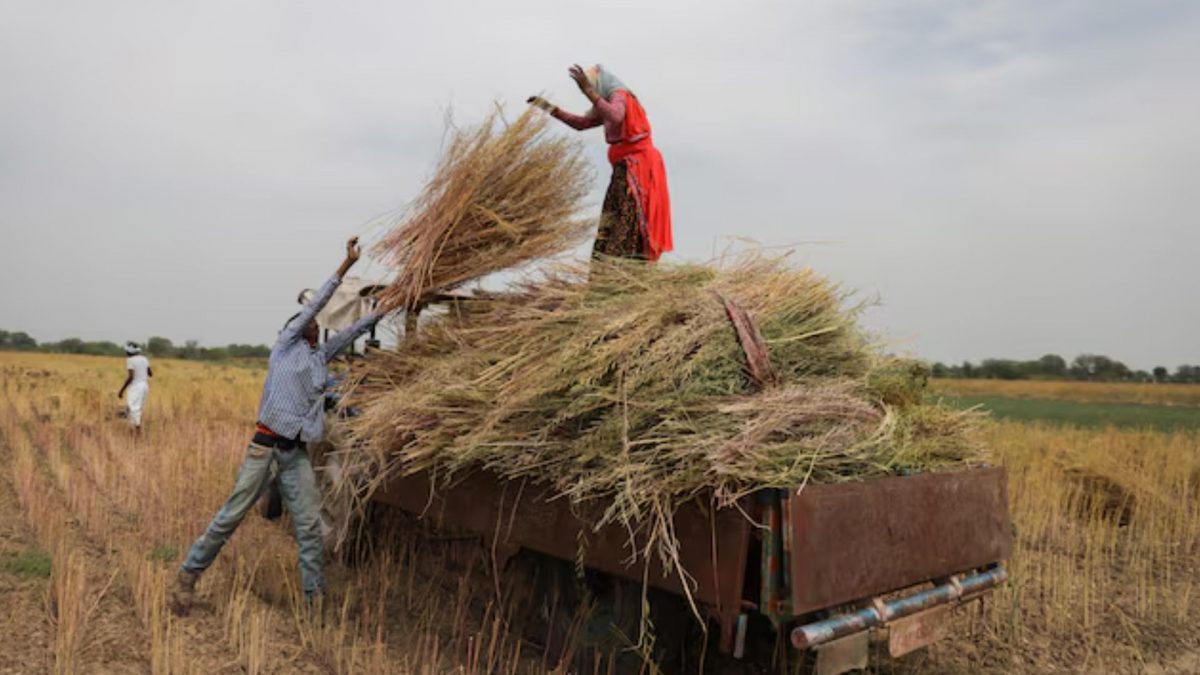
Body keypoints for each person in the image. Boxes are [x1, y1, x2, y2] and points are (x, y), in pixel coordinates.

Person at [171, 237, 381, 615]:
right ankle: (187, 576)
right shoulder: (285, 346)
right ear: (298, 328)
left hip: (294, 455)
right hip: (264, 450)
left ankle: (315, 607)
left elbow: (351, 334)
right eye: (312, 323)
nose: (317, 325)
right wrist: (345, 265)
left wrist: (392, 305)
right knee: (230, 517)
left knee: (310, 530)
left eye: (316, 324)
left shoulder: (320, 358)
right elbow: (315, 303)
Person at [528, 64, 673, 261]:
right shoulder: (607, 102)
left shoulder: (619, 95)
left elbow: (616, 115)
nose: (593, 93)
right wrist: (549, 108)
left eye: (593, 87)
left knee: (628, 217)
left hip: (637, 170)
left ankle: (626, 268)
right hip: (625, 169)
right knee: (614, 220)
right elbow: (582, 123)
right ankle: (611, 272)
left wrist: (587, 91)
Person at [117, 342, 152, 432]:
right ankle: (129, 422)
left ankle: (137, 432)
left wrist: (122, 390)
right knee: (137, 408)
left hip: (136, 387)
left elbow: (131, 377)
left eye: (126, 351)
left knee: (134, 409)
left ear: (129, 352)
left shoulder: (130, 360)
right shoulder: (144, 358)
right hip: (145, 386)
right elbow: (150, 373)